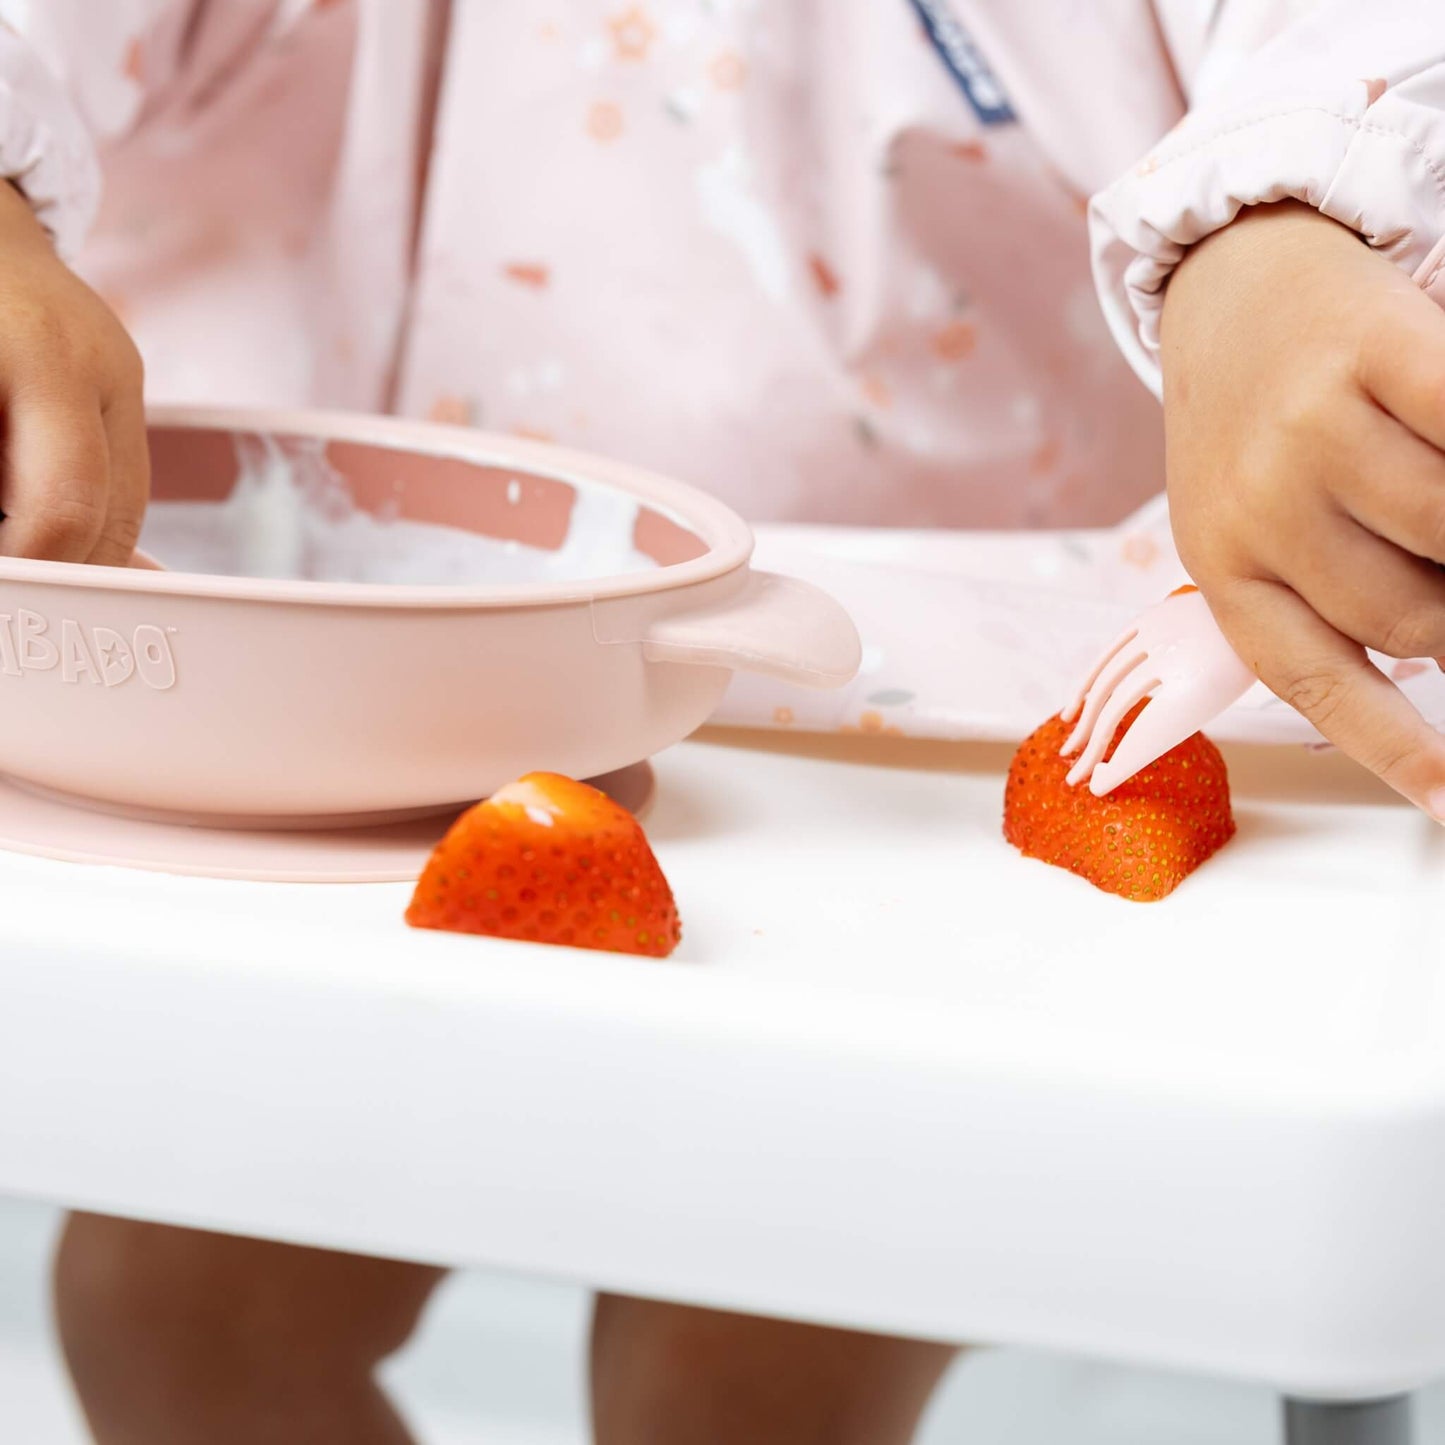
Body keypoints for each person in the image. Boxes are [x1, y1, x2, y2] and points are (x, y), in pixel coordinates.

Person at [4, 2, 1443, 1441]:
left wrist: (1286, 224)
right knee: (165, 1312)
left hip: (915, 726)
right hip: (374, 689)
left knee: (731, 1404)